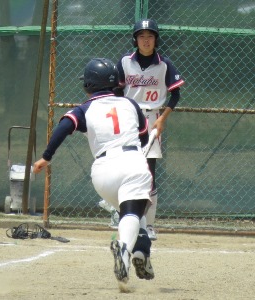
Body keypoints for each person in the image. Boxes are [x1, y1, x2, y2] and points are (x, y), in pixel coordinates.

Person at [33, 58, 154, 283]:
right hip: (132, 162)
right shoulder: (130, 104)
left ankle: (140, 253)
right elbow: (144, 137)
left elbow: (64, 127)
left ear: (88, 85)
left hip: (103, 172)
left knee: (135, 216)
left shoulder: (84, 109)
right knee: (134, 212)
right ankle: (125, 250)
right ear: (115, 82)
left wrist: (46, 157)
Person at [116, 18, 185, 240]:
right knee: (123, 170)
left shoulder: (164, 64)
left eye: (150, 36)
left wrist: (163, 118)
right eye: (142, 36)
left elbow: (176, 94)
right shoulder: (125, 62)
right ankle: (122, 216)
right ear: (135, 40)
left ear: (156, 40)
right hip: (129, 118)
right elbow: (117, 92)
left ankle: (150, 225)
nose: (146, 41)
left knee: (149, 174)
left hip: (152, 119)